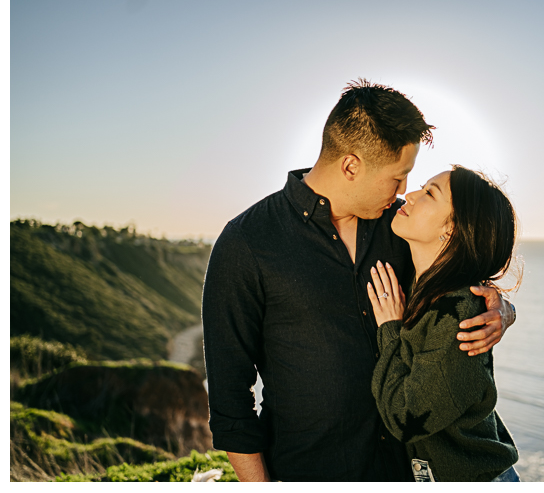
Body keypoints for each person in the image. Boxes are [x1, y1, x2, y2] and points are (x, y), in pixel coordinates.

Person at [202, 80, 516, 482]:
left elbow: (461, 273)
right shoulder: (247, 242)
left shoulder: (402, 227)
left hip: (416, 474)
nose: (405, 192)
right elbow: (230, 399)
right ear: (351, 165)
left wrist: (501, 310)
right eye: (397, 177)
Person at [368, 166, 521, 482]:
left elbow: (406, 419)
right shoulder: (429, 290)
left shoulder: (458, 314)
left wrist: (390, 330)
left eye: (428, 194)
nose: (407, 195)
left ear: (451, 230)